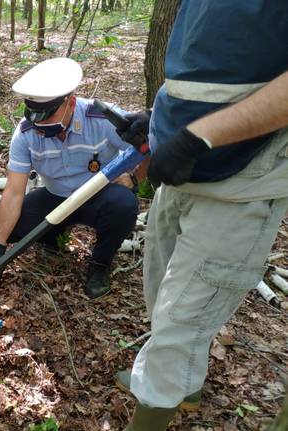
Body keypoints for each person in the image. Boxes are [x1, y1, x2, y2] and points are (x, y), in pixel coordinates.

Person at [114, 3, 288, 430]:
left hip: (242, 182)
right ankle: (180, 388)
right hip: (185, 173)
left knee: (179, 326)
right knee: (159, 297)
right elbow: (209, 68)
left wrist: (199, 138)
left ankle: (156, 400)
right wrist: (159, 124)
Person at [0, 57, 149, 299]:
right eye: (32, 113)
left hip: (98, 195)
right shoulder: (26, 134)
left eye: (47, 114)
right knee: (17, 227)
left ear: (70, 103)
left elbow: (148, 143)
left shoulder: (103, 120)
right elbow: (14, 191)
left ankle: (100, 266)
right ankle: (54, 237)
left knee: (123, 205)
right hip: (56, 197)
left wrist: (134, 179)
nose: (38, 123)